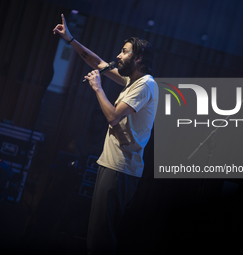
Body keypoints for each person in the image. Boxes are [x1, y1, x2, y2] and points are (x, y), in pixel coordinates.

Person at [53, 14, 158, 254]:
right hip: (112, 165)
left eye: (124, 51)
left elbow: (112, 117)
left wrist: (98, 87)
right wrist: (70, 40)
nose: (118, 55)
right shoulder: (133, 81)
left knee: (100, 238)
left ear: (139, 58)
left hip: (121, 169)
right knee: (97, 234)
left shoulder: (146, 84)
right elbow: (97, 62)